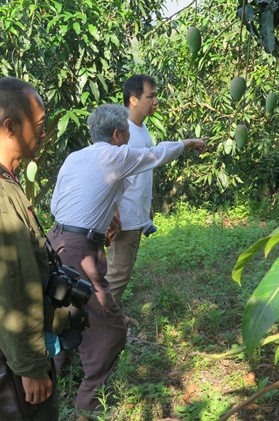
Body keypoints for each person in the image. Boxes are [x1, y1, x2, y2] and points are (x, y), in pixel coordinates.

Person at [47, 103, 206, 418]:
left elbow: (61, 201)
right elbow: (156, 155)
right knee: (110, 327)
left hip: (56, 242)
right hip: (79, 250)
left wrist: (109, 216)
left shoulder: (75, 157)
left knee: (61, 313)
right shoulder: (114, 155)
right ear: (118, 134)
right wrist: (187, 144)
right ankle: (87, 401)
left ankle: (56, 377)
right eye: (127, 135)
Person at [0, 77, 63, 420]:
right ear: (10, 127)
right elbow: (14, 285)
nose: (43, 133)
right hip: (16, 365)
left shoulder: (9, 180)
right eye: (39, 125)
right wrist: (32, 368)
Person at [105, 75, 160, 323]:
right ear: (134, 100)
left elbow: (141, 174)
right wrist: (112, 214)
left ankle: (113, 316)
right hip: (122, 219)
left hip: (135, 216)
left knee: (122, 272)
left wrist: (148, 208)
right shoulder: (121, 133)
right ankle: (103, 325)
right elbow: (108, 177)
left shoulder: (142, 127)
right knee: (116, 274)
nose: (155, 101)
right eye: (151, 96)